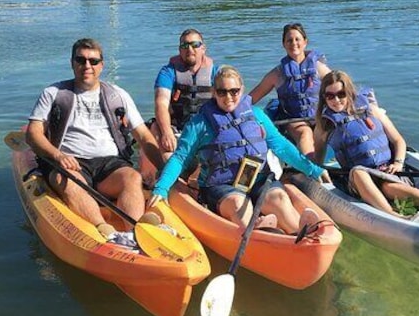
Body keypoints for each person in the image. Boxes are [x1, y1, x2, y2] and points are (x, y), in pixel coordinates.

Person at [148, 65, 331, 234]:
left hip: (258, 180)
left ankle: (300, 235)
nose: (228, 97)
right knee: (239, 203)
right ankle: (263, 234)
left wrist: (312, 169)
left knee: (279, 199)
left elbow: (281, 147)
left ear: (241, 90)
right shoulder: (200, 124)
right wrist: (161, 188)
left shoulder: (257, 115)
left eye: (234, 91)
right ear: (214, 92)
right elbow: (180, 158)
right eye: (222, 92)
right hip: (221, 186)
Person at [26, 38, 165, 240]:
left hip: (109, 163)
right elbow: (33, 134)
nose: (87, 66)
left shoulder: (118, 94)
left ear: (102, 65)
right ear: (72, 63)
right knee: (69, 179)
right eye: (81, 60)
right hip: (70, 162)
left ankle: (135, 231)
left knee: (133, 178)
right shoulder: (53, 93)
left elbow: (143, 135)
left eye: (93, 61)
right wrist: (57, 155)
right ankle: (103, 228)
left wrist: (164, 168)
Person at [313, 70, 419, 224]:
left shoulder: (371, 110)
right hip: (357, 179)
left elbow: (398, 140)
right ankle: (396, 217)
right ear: (324, 98)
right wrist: (314, 173)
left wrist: (397, 163)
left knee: (389, 188)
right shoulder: (324, 124)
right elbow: (318, 157)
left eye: (341, 94)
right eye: (330, 96)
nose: (336, 100)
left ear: (349, 93)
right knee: (359, 172)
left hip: (387, 171)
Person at [141, 29, 217, 186]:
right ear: (179, 49)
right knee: (160, 135)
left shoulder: (215, 73)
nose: (190, 49)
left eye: (195, 44)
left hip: (203, 130)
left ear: (203, 48)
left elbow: (231, 101)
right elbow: (161, 103)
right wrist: (167, 132)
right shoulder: (168, 72)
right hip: (177, 129)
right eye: (185, 45)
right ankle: (168, 179)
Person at [249, 22, 332, 157]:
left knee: (323, 132)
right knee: (305, 134)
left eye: (297, 39)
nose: (293, 43)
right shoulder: (277, 74)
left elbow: (341, 86)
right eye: (289, 40)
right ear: (284, 44)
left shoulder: (318, 68)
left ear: (305, 42)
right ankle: (312, 172)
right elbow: (251, 98)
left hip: (317, 116)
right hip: (294, 120)